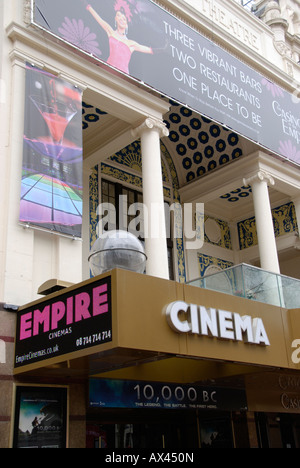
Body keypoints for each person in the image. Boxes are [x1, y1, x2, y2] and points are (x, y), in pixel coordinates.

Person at [83, 0, 154, 74]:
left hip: (122, 75)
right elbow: (99, 19)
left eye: (124, 18)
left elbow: (149, 50)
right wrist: (87, 6)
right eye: (118, 15)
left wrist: (164, 49)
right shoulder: (111, 32)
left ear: (126, 24)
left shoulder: (131, 43)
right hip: (108, 69)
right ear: (115, 18)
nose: (121, 19)